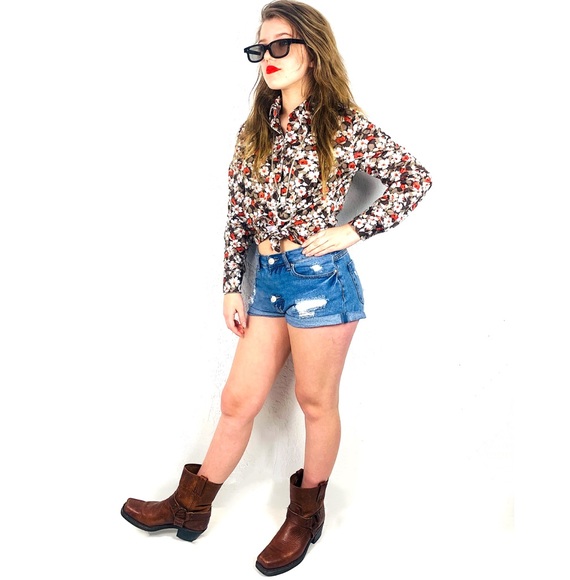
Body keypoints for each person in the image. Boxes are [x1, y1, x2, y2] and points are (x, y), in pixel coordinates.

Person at [120, 0, 432, 575]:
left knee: (315, 403)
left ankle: (305, 516)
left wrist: (352, 230)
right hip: (265, 282)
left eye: (280, 45)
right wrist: (230, 286)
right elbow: (237, 213)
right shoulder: (254, 130)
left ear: (312, 50)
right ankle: (190, 507)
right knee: (238, 400)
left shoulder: (340, 123)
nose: (268, 57)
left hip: (321, 281)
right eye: (260, 48)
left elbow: (414, 178)